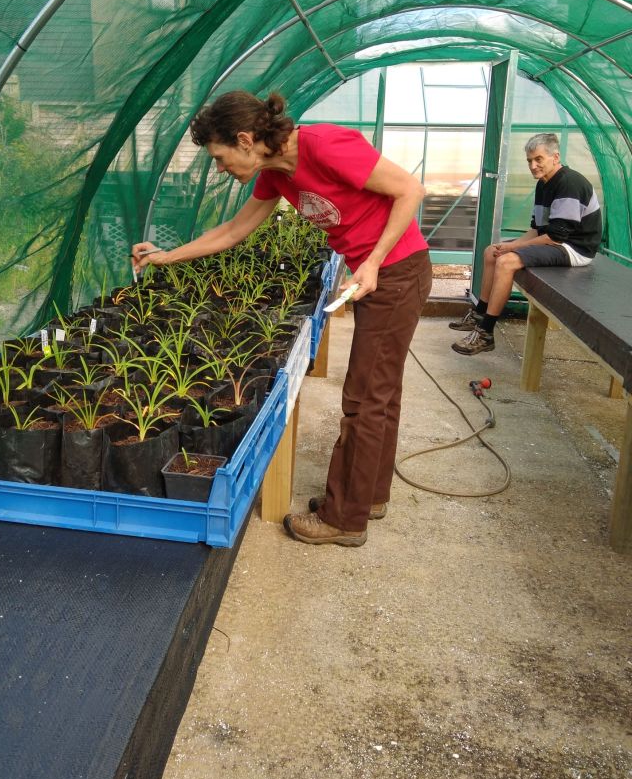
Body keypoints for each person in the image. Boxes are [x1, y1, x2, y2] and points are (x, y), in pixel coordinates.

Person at [132, 90, 432, 548]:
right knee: (380, 393)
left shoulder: (324, 146)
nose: (219, 167)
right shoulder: (275, 177)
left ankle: (343, 519)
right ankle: (366, 496)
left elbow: (411, 189)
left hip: (396, 271)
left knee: (366, 398)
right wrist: (166, 257)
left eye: (219, 155)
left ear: (246, 139)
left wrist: (372, 261)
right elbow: (233, 230)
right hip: (379, 273)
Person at [451, 132, 602, 355]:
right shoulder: (543, 184)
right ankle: (479, 313)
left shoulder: (569, 183)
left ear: (555, 157)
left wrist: (513, 247)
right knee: (492, 251)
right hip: (557, 241)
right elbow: (537, 229)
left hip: (575, 249)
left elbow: (556, 236)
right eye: (530, 160)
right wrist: (509, 245)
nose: (533, 165)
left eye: (538, 159)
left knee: (506, 262)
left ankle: (486, 333)